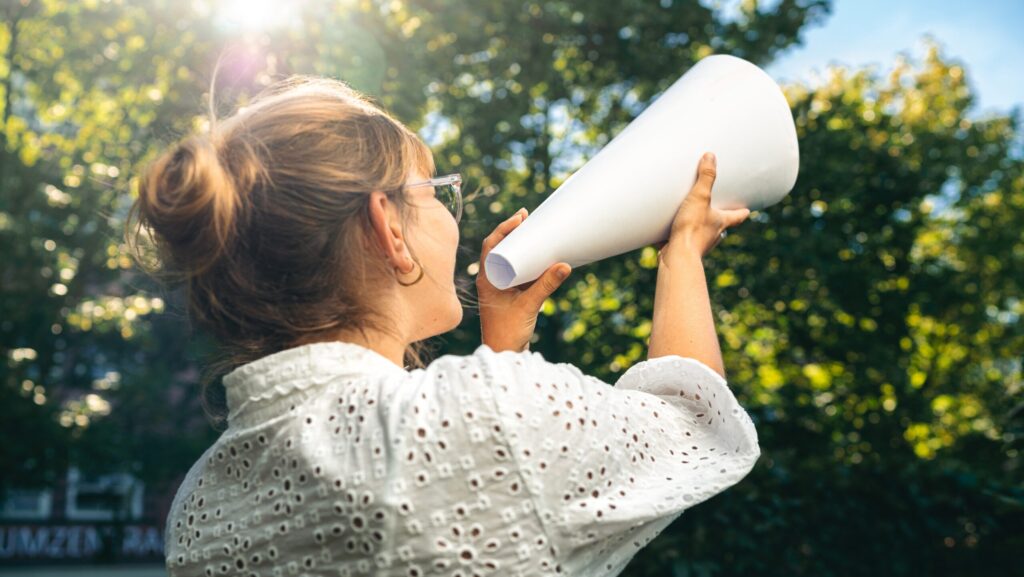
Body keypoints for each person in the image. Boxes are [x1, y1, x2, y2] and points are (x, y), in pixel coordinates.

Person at [126, 75, 757, 577]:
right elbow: (691, 420)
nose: (453, 218)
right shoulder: (487, 414)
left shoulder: (199, 503)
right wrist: (683, 254)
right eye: (434, 194)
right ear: (390, 229)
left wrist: (503, 349)